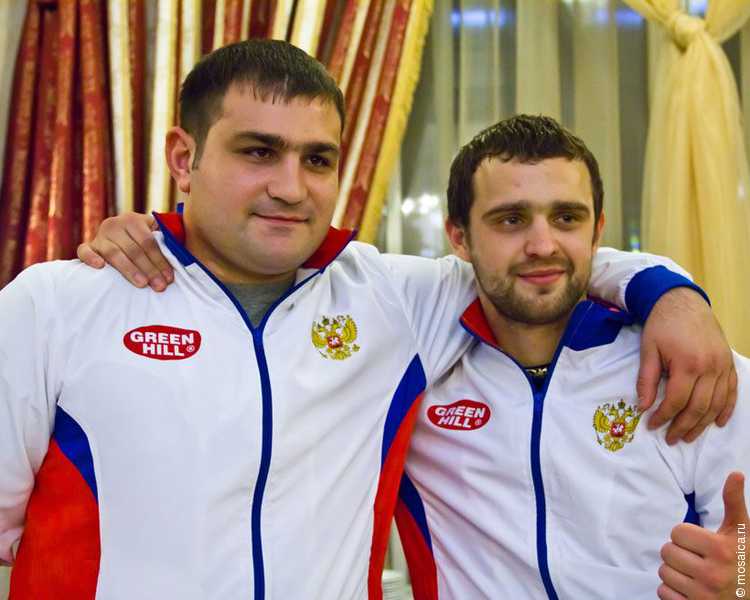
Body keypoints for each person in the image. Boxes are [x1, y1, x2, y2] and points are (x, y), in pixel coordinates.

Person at [0, 40, 733, 600]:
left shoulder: (391, 300)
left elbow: (534, 264)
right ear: (183, 159)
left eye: (318, 160)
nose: (291, 187)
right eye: (259, 152)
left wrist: (671, 293)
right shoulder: (56, 306)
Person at [395, 115, 749, 600]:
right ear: (459, 236)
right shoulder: (416, 367)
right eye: (511, 220)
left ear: (597, 231)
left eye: (566, 218)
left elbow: (741, 550)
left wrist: (743, 582)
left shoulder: (694, 369)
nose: (543, 246)